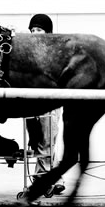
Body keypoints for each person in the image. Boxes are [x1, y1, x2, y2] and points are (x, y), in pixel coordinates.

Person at [25, 14, 65, 195]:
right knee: (40, 142)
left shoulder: (55, 52)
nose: (34, 34)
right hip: (33, 103)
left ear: (48, 32)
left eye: (38, 30)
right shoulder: (28, 53)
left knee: (47, 142)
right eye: (32, 30)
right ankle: (56, 178)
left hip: (50, 103)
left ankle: (42, 178)